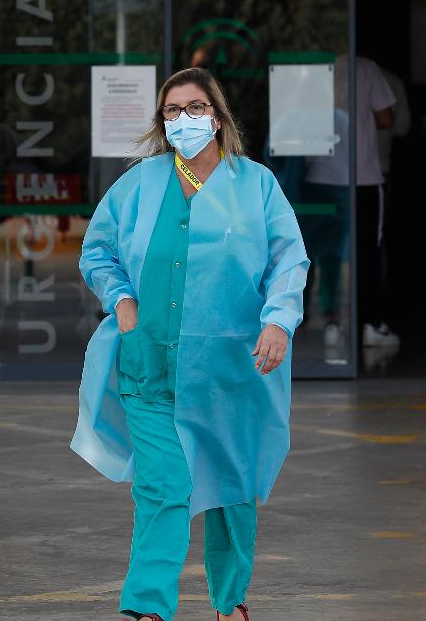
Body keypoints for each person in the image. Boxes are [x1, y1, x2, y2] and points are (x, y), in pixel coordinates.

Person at [71, 68, 309, 621]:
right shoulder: (138, 185)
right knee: (163, 485)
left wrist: (278, 321)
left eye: (195, 107)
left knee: (232, 494)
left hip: (232, 371)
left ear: (219, 117)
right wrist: (123, 306)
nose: (184, 119)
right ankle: (147, 608)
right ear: (161, 122)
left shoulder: (255, 185)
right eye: (172, 111)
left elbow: (288, 260)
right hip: (148, 364)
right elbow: (97, 252)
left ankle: (231, 603)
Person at [304, 56, 399, 348]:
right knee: (368, 252)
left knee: (320, 253)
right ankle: (370, 323)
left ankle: (327, 321)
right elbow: (386, 118)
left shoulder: (313, 69)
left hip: (320, 176)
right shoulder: (367, 68)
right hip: (362, 178)